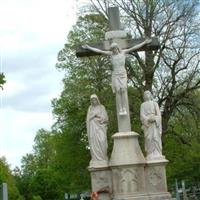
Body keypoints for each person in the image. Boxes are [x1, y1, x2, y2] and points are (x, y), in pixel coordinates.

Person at [83, 39, 151, 116]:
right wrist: (88, 47)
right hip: (116, 74)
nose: (114, 50)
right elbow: (99, 51)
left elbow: (134, 48)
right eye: (112, 49)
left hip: (122, 74)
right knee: (118, 91)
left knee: (123, 90)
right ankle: (121, 108)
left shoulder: (123, 52)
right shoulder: (111, 54)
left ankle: (124, 108)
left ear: (117, 48)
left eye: (115, 48)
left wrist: (144, 42)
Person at [86, 94, 109, 167]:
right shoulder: (90, 108)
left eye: (95, 99)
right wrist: (93, 116)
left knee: (102, 141)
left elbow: (105, 118)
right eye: (92, 100)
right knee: (94, 143)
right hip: (93, 129)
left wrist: (97, 116)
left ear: (97, 99)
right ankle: (95, 159)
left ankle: (103, 158)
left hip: (101, 128)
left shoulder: (102, 107)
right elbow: (88, 119)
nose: (94, 101)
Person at [140, 90, 163, 160]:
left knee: (156, 138)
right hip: (148, 125)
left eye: (148, 93)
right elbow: (142, 115)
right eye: (145, 94)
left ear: (151, 95)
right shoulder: (143, 105)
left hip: (155, 123)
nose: (147, 95)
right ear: (144, 96)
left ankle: (157, 152)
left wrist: (155, 118)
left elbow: (159, 114)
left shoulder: (155, 103)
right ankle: (150, 153)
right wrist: (147, 119)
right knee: (149, 138)